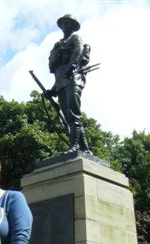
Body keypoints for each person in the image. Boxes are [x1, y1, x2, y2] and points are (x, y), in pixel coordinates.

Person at [47, 14, 91, 154]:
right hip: (61, 83)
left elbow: (77, 52)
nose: (65, 25)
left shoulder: (75, 38)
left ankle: (75, 146)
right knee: (68, 116)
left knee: (73, 114)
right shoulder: (58, 44)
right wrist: (52, 90)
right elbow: (58, 71)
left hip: (73, 79)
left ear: (73, 26)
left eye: (68, 23)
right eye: (63, 23)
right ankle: (85, 149)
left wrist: (72, 65)